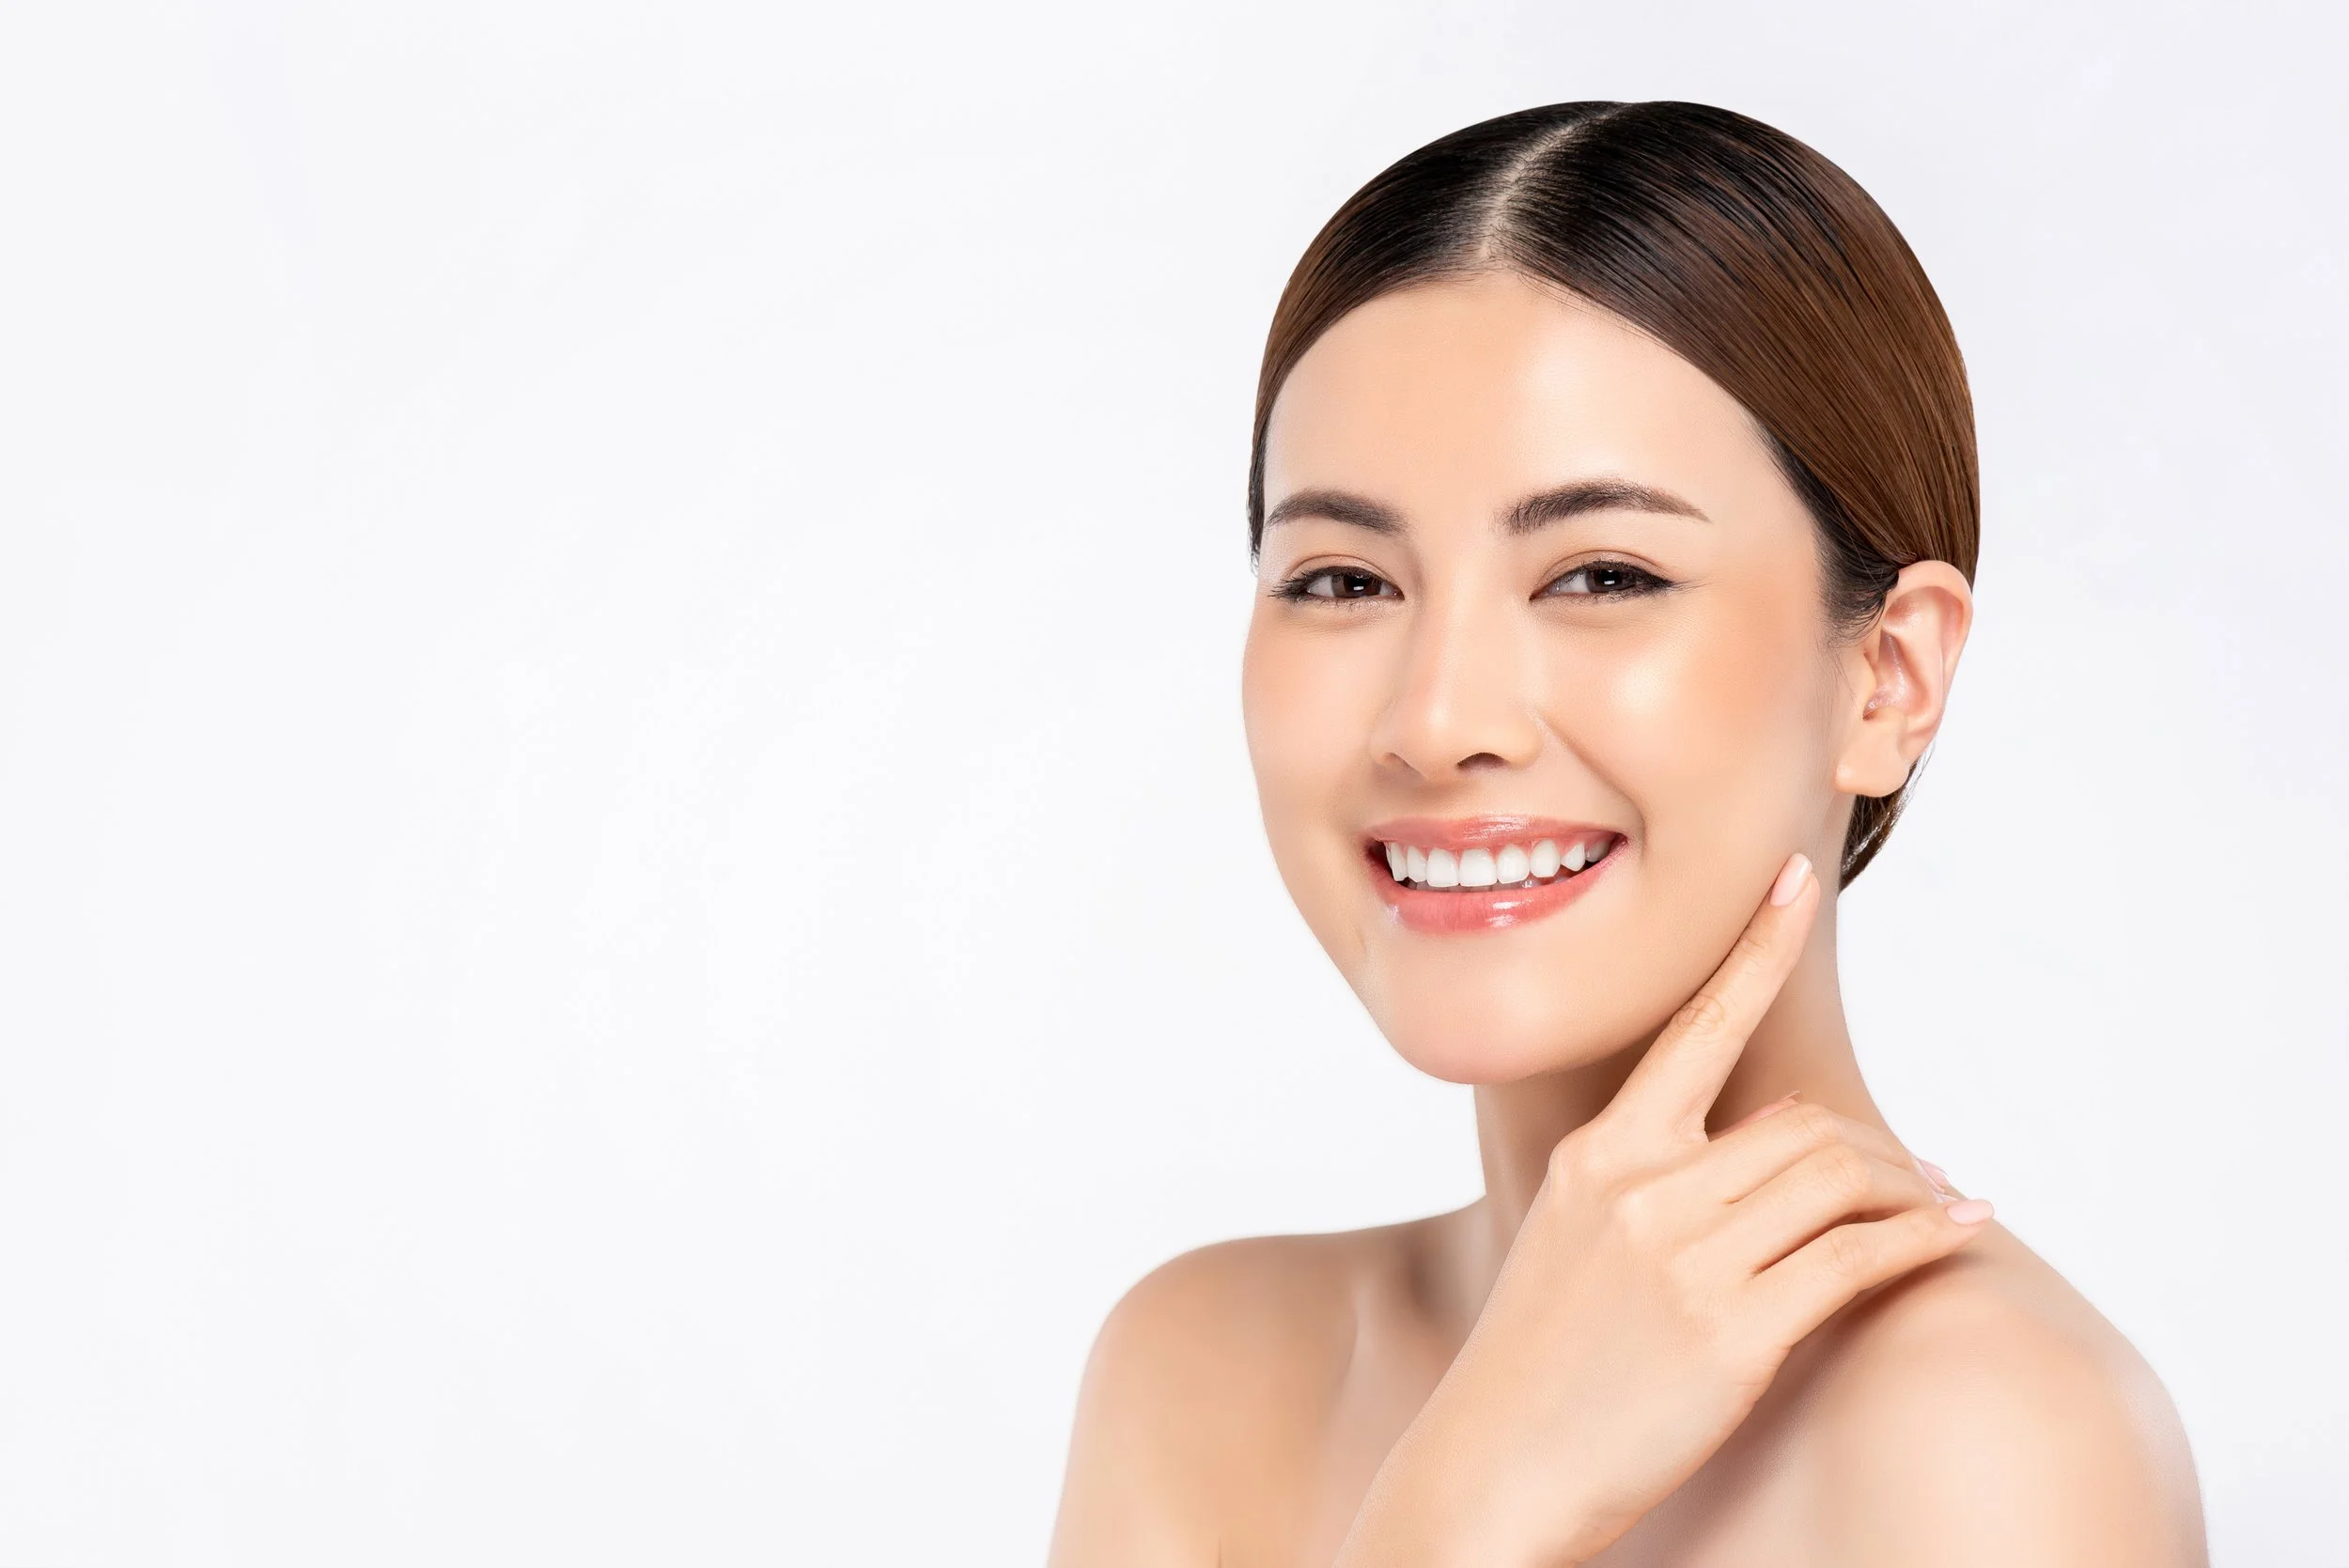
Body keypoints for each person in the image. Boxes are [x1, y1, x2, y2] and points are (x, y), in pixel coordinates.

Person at [1044, 101, 2206, 1566]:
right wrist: (1466, 1502)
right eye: (1343, 581)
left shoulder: (1990, 1438)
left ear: (1888, 677)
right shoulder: (1203, 1363)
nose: (1437, 716)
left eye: (1600, 572)